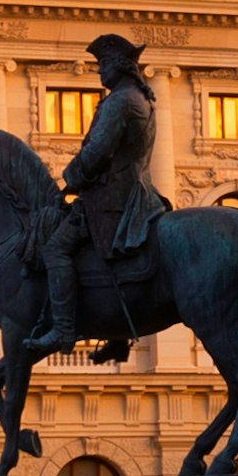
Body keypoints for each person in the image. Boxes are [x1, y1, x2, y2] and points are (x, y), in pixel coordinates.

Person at [34, 34, 166, 362]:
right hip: (137, 192)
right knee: (101, 257)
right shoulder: (141, 98)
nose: (99, 73)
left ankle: (64, 329)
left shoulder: (121, 101)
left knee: (56, 249)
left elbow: (97, 151)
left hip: (112, 197)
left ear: (119, 67)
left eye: (103, 65)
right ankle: (117, 336)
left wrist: (72, 177)